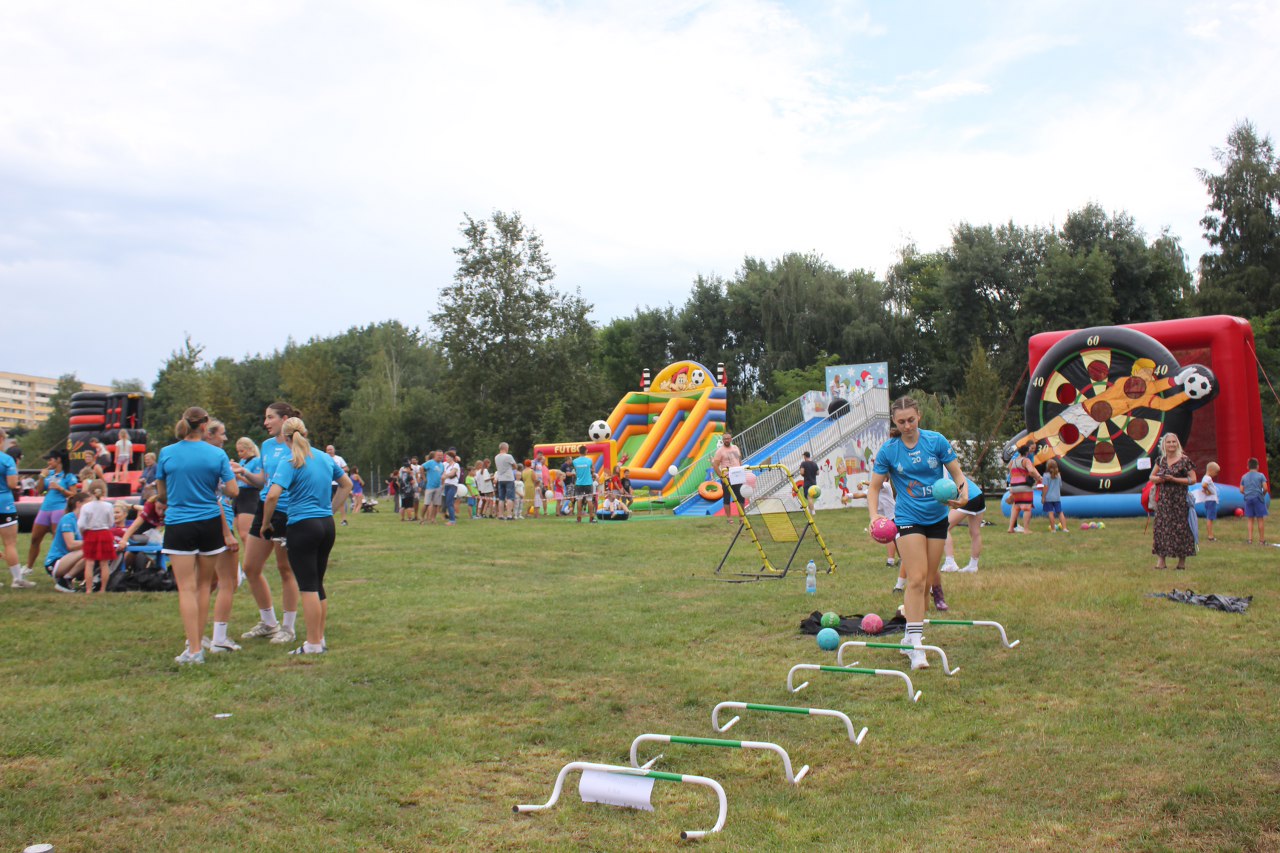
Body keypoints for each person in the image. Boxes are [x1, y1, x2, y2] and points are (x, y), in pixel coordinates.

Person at [867, 396, 972, 671]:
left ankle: (907, 637)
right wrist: (874, 515)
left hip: (937, 518)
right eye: (901, 422)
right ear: (894, 422)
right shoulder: (889, 450)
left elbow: (958, 475)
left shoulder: (936, 441)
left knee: (925, 584)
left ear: (919, 417)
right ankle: (917, 647)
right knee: (915, 579)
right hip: (908, 518)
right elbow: (874, 488)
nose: (906, 426)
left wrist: (963, 494)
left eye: (911, 420)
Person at [261, 417, 352, 655]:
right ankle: (318, 639)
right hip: (325, 525)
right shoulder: (324, 457)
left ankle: (312, 644)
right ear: (306, 433)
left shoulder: (290, 461)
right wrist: (330, 509)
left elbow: (272, 496)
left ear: (286, 438)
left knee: (308, 586)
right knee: (318, 584)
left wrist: (266, 523)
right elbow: (347, 484)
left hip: (302, 526)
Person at [156, 407, 238, 664]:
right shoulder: (217, 454)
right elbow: (233, 491)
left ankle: (193, 649)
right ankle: (197, 646)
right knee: (204, 586)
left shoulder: (167, 453)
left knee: (186, 588)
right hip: (210, 523)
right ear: (204, 426)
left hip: (179, 523)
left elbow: (162, 495)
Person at [236, 402, 304, 645]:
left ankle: (288, 628)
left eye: (270, 418)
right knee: (251, 567)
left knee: (286, 569)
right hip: (263, 508)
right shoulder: (265, 446)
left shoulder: (296, 445)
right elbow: (263, 481)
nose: (265, 422)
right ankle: (268, 622)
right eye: (265, 418)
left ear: (284, 419)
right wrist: (243, 473)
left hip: (286, 511)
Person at [204, 419, 243, 653]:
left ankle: (195, 636)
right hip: (221, 520)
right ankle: (219, 638)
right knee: (229, 581)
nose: (225, 438)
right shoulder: (215, 457)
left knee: (207, 583)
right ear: (208, 434)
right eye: (221, 434)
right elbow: (224, 494)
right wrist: (227, 532)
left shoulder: (192, 457)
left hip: (202, 521)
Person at [25, 450, 78, 575]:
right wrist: (41, 477)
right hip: (45, 508)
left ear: (58, 460)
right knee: (35, 538)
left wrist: (60, 488)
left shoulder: (68, 476)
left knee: (58, 540)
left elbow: (74, 495)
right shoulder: (49, 474)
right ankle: (28, 567)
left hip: (59, 509)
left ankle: (59, 567)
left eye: (51, 460)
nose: (49, 462)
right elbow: (39, 490)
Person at [1150, 433, 1196, 570]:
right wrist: (1160, 479)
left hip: (1179, 501)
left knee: (1181, 529)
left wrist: (1174, 479)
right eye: (1168, 442)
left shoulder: (1185, 460)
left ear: (1177, 444)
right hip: (1164, 500)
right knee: (1161, 528)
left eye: (1173, 442)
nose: (1171, 444)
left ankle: (1181, 563)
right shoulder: (1161, 460)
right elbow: (1151, 476)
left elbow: (1193, 479)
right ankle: (1161, 561)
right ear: (1164, 444)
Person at [0, 429, 31, 588]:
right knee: (9, 543)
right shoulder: (6, 460)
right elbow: (12, 484)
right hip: (4, 504)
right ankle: (17, 579)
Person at [940, 472, 986, 577]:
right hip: (978, 495)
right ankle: (973, 566)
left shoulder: (940, 471)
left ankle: (950, 562)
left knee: (943, 527)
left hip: (968, 498)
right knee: (975, 532)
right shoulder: (948, 467)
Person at [78, 480, 116, 594]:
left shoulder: (86, 507)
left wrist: (83, 533)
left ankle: (89, 589)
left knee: (89, 563)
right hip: (104, 533)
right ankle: (103, 589)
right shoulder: (108, 506)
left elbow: (81, 524)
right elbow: (111, 522)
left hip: (90, 533)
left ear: (90, 492)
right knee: (104, 563)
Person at [49, 493, 88, 592]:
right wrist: (91, 541)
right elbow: (70, 545)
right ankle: (66, 579)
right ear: (79, 504)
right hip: (56, 562)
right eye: (88, 504)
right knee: (89, 551)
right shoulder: (68, 519)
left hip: (69, 559)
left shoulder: (84, 520)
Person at [231, 438, 262, 548]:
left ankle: (252, 560)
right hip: (239, 495)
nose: (239, 454)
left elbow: (256, 483)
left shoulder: (257, 461)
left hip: (250, 496)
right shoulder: (242, 462)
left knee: (245, 534)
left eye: (242, 451)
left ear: (250, 449)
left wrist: (239, 476)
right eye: (238, 451)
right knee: (238, 533)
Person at [711, 431, 746, 523]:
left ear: (731, 439)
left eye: (728, 438)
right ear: (723, 440)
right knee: (727, 498)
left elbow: (739, 459)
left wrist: (741, 469)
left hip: (738, 476)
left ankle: (742, 517)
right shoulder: (720, 451)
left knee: (741, 496)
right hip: (727, 478)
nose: (726, 440)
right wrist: (721, 477)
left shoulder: (735, 448)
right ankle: (729, 518)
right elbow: (715, 465)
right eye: (725, 438)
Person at [1006, 444, 1040, 533]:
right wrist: (1037, 477)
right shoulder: (1026, 460)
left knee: (1016, 507)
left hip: (1014, 485)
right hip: (1024, 486)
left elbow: (1010, 471)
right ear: (1026, 452)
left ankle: (1010, 528)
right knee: (1027, 507)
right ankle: (1026, 529)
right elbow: (1031, 470)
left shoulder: (1013, 462)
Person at [1240, 457, 1269, 545]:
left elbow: (1241, 490)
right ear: (1257, 466)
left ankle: (1250, 539)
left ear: (1247, 467)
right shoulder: (1261, 475)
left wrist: (1247, 493)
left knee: (1250, 519)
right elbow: (1265, 488)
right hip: (1258, 498)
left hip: (1248, 498)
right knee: (1260, 519)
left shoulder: (1244, 476)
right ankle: (1261, 540)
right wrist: (1262, 494)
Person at [572, 446, 597, 523]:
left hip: (579, 483)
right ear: (586, 451)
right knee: (589, 500)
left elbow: (576, 471)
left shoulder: (575, 461)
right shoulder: (589, 460)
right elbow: (593, 470)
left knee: (579, 500)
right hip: (588, 483)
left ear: (579, 451)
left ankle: (578, 518)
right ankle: (591, 518)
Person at [325, 445, 349, 525]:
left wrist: (338, 471)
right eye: (328, 450)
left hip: (338, 483)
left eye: (331, 449)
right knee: (327, 502)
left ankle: (344, 520)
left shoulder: (339, 459)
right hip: (328, 484)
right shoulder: (324, 458)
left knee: (340, 502)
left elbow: (346, 468)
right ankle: (327, 520)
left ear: (334, 450)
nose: (329, 451)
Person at [1041, 459, 1066, 533]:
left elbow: (1045, 487)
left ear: (1047, 467)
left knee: (1050, 512)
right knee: (1060, 512)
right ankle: (1064, 528)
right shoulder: (1058, 475)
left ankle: (1053, 529)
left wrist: (1043, 497)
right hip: (1057, 497)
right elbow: (1060, 485)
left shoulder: (1046, 475)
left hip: (1048, 498)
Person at [494, 442, 517, 520]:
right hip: (509, 478)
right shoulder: (508, 456)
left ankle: (500, 515)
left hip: (500, 478)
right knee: (510, 497)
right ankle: (509, 515)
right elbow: (515, 466)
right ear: (505, 448)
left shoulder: (496, 457)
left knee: (501, 498)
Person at [420, 451, 443, 525]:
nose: (440, 457)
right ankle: (422, 518)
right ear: (435, 456)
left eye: (441, 455)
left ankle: (433, 519)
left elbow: (442, 474)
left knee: (436, 504)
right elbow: (421, 467)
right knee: (426, 503)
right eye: (438, 455)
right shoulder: (430, 462)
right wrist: (424, 478)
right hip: (430, 486)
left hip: (438, 486)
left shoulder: (442, 465)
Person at [1200, 461, 1220, 541]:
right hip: (1211, 500)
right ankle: (1210, 536)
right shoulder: (1208, 478)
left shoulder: (1205, 478)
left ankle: (1210, 534)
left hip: (1209, 500)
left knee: (1210, 518)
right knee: (1210, 518)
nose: (1216, 475)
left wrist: (1206, 490)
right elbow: (1204, 485)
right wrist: (1208, 491)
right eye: (1216, 472)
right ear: (1211, 470)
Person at [441, 451, 461, 526]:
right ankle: (451, 519)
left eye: (447, 457)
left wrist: (444, 476)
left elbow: (452, 473)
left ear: (451, 458)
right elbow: (442, 471)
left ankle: (452, 520)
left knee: (449, 502)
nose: (446, 458)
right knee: (447, 502)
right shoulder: (445, 464)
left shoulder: (456, 465)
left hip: (453, 485)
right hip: (446, 485)